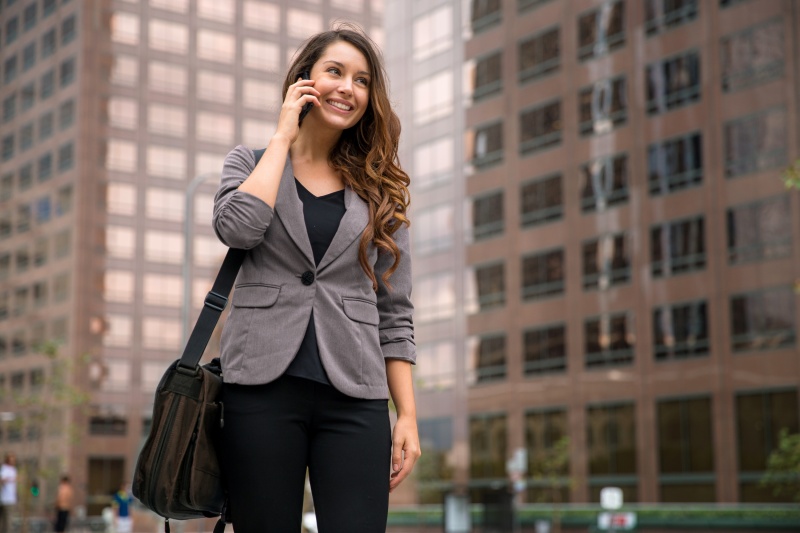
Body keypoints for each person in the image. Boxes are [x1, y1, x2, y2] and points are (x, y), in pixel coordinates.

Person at [213, 23, 420, 532]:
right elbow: (238, 229)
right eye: (335, 71)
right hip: (260, 388)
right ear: (304, 79)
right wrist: (283, 136)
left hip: (355, 394)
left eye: (362, 80)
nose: (347, 87)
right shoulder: (251, 163)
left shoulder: (379, 192)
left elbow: (395, 312)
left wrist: (408, 415)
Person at [0, 453, 17, 533]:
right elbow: (1, 480)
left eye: (13, 460)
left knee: (8, 521)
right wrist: (10, 479)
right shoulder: (4, 468)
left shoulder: (13, 469)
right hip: (5, 499)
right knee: (6, 521)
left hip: (11, 499)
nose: (12, 461)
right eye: (11, 460)